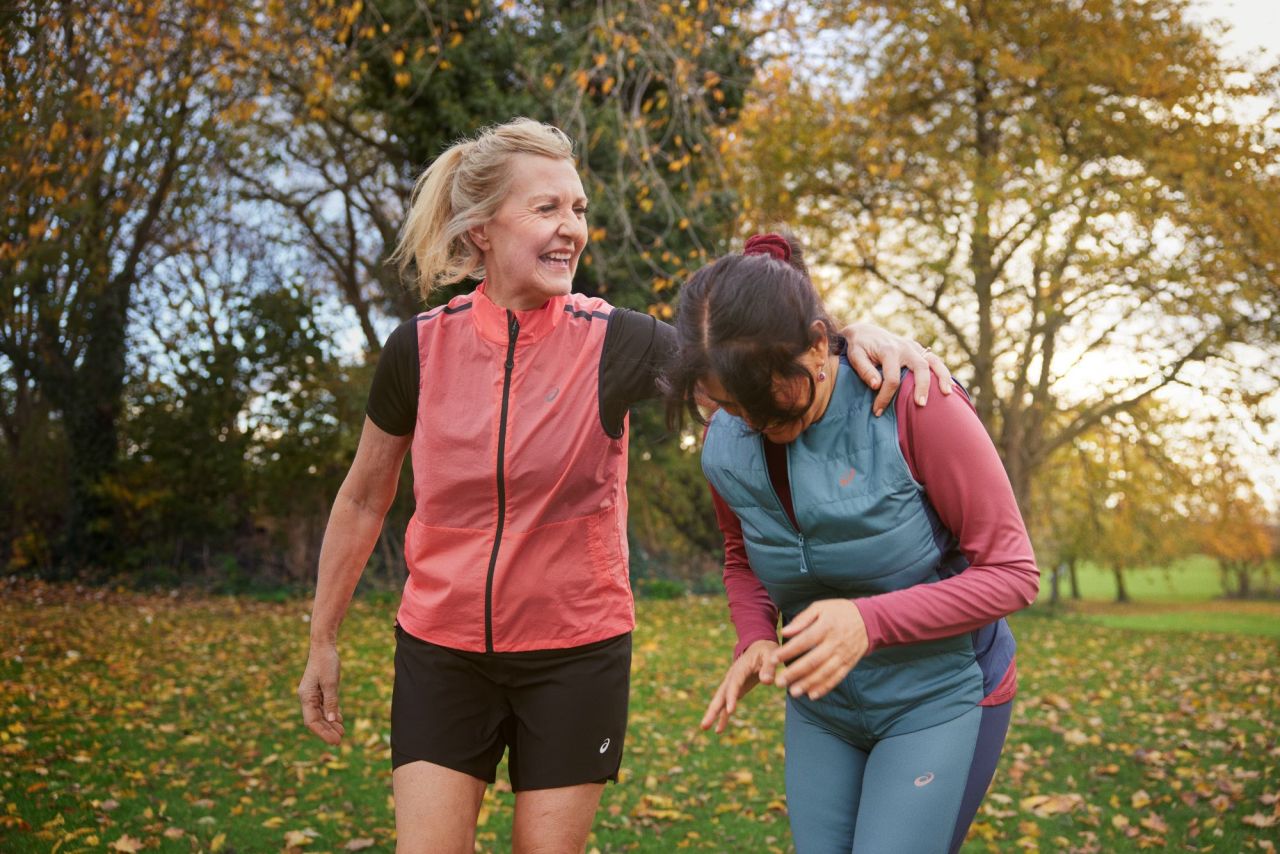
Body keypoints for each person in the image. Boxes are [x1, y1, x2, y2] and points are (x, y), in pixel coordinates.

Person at [294, 119, 952, 854]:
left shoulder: (615, 342)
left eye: (577, 210)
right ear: (480, 230)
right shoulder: (417, 348)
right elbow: (362, 497)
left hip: (574, 654)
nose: (572, 228)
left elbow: (740, 345)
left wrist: (846, 331)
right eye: (546, 209)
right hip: (440, 650)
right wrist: (323, 639)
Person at [664, 233, 1039, 854]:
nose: (758, 427)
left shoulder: (917, 404)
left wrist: (869, 621)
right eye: (734, 407)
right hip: (823, 708)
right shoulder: (723, 440)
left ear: (819, 343)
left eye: (774, 405)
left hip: (942, 695)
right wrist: (754, 634)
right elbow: (744, 555)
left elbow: (1012, 572)